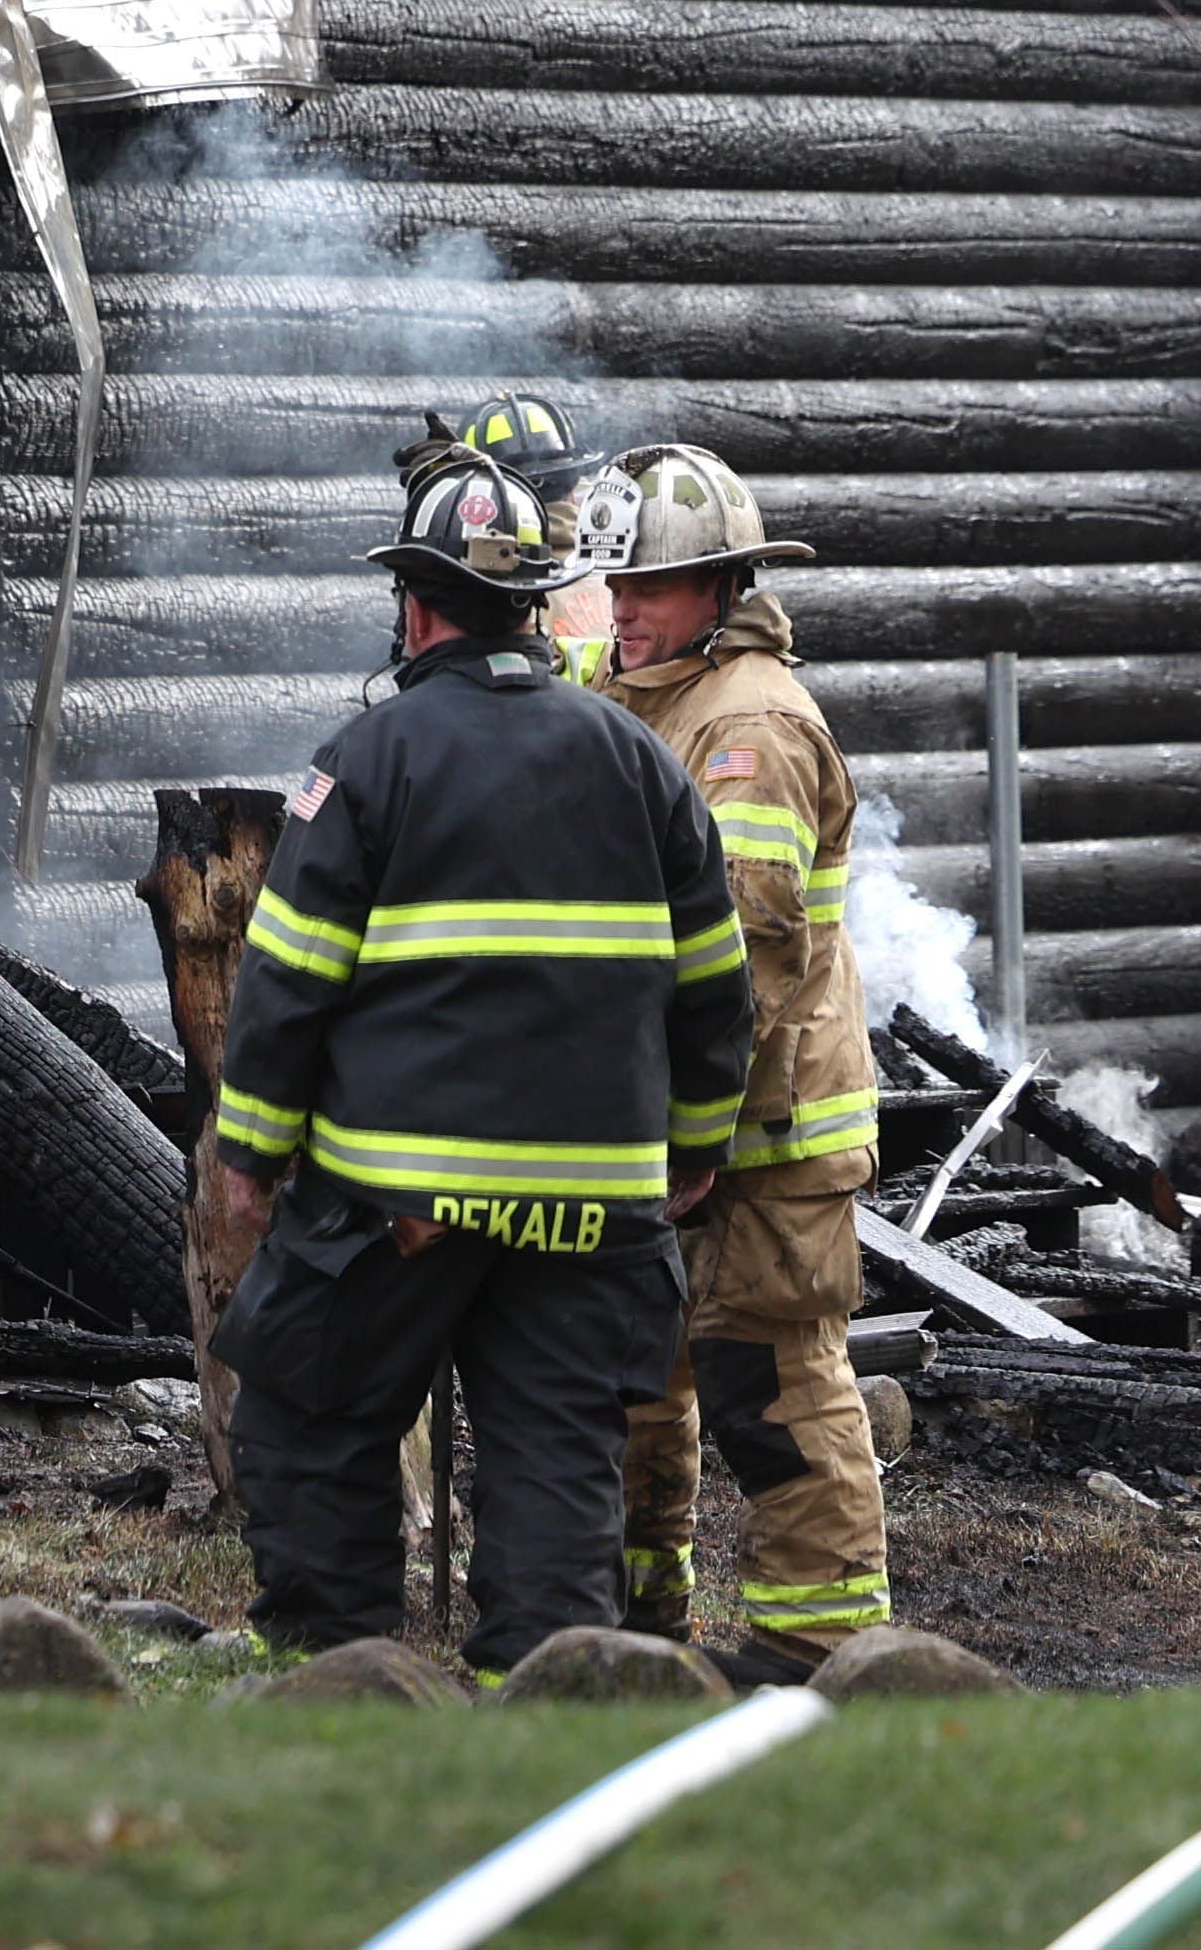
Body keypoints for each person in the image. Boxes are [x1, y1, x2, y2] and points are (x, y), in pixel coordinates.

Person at [202, 451, 755, 1675]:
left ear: (415, 605)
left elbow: (283, 982)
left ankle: (343, 1681)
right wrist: (694, 1150)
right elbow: (719, 991)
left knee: (307, 1416)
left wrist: (248, 1152)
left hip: (398, 1201)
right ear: (532, 606)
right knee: (555, 1451)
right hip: (595, 1205)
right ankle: (544, 1702)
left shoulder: (364, 761)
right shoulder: (645, 765)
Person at [565, 443, 892, 1683]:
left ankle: (819, 1644)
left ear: (717, 585)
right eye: (613, 587)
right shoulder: (642, 691)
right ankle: (640, 1623)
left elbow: (739, 954)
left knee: (771, 1380)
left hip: (760, 1129)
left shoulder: (747, 723)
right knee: (637, 1374)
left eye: (645, 588)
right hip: (667, 1119)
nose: (621, 611)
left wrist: (688, 1131)